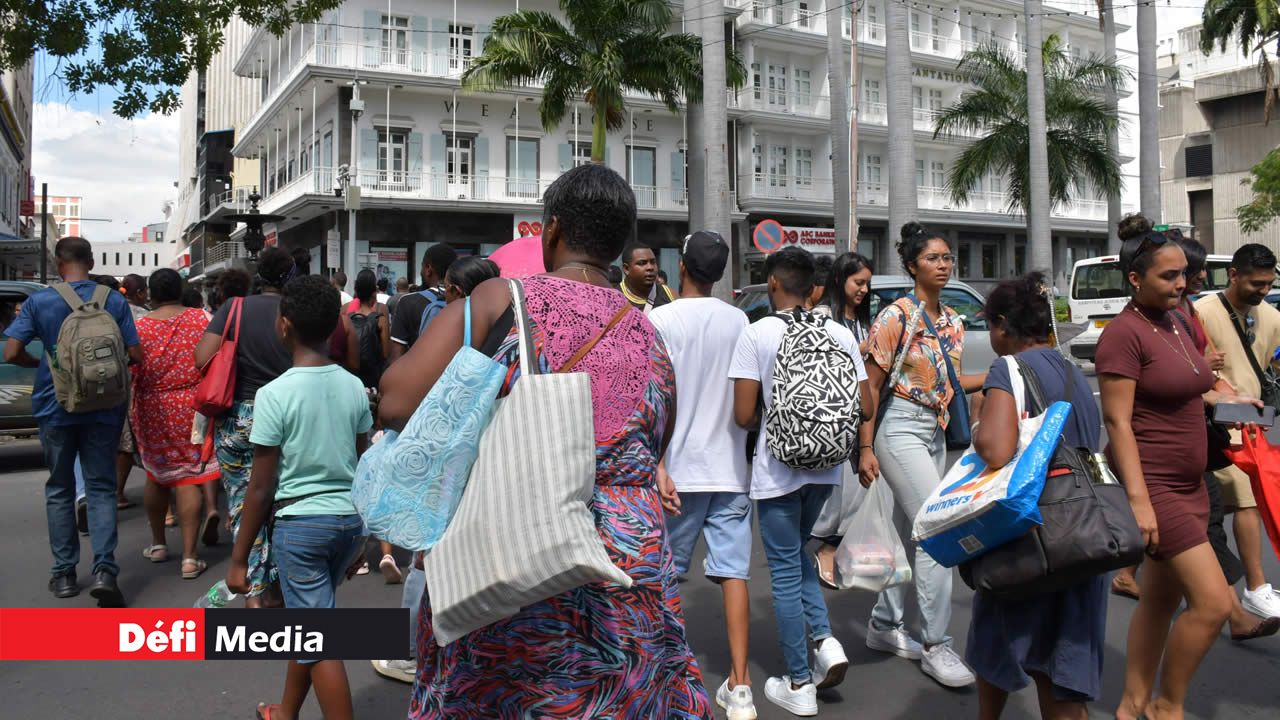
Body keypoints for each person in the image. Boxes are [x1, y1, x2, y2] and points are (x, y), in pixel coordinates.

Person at [379, 164, 714, 717]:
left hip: (516, 553)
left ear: (550, 232)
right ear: (619, 246)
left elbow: (395, 401)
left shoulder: (498, 300)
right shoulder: (651, 332)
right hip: (629, 565)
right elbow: (657, 440)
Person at [1097, 227, 1236, 720]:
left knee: (1158, 601)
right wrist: (1139, 501)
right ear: (1135, 279)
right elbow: (1117, 422)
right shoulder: (1123, 334)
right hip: (1156, 488)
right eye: (1169, 275)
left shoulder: (1176, 321)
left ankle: (1131, 703)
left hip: (1191, 483)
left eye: (1184, 273)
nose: (1183, 282)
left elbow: (1196, 384)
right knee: (1215, 605)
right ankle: (1167, 705)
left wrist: (1233, 400)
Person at [225, 274, 371, 720]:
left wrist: (238, 559)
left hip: (301, 527)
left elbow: (261, 487)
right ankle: (285, 712)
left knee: (316, 635)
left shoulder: (273, 395)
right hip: (348, 522)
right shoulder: (353, 386)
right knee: (308, 621)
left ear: (284, 325)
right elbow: (366, 467)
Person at [965, 272, 1108, 720]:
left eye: (991, 325)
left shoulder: (1008, 368)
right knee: (1062, 667)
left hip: (1031, 532)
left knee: (996, 636)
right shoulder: (1071, 371)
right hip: (1083, 530)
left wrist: (977, 421)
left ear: (1004, 325)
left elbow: (996, 448)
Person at [729, 246, 860, 716]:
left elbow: (744, 414)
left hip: (779, 468)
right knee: (797, 555)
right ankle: (825, 641)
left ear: (773, 285)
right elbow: (860, 402)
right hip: (827, 466)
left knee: (784, 570)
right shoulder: (840, 333)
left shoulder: (757, 332)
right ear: (815, 290)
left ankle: (801, 683)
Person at [860, 222, 985, 688]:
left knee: (906, 530)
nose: (944, 265)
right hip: (896, 430)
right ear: (912, 266)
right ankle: (937, 644)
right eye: (934, 258)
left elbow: (951, 384)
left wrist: (1008, 371)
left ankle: (883, 624)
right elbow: (870, 387)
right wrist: (866, 446)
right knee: (936, 529)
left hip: (932, 431)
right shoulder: (896, 315)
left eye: (948, 258)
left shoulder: (953, 320)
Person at [369, 254, 500, 685]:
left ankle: (409, 652)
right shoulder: (517, 322)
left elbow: (398, 394)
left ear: (457, 291)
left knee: (426, 555)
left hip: (448, 451)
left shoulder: (455, 318)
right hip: (498, 447)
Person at [650, 231, 756, 720]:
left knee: (664, 576)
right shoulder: (740, 321)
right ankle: (741, 685)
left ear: (682, 268)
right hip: (732, 467)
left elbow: (654, 399)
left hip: (678, 471)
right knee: (734, 573)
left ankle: (664, 676)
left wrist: (658, 463)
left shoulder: (661, 319)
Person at [3, 236, 142, 606]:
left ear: (58, 262)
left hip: (54, 406)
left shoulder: (39, 301)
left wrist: (45, 364)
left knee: (61, 489)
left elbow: (12, 351)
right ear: (92, 260)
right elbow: (134, 353)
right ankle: (105, 570)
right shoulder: (113, 300)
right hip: (104, 408)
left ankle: (64, 574)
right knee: (100, 487)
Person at [194, 246, 295, 608]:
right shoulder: (293, 311)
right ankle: (280, 584)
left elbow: (202, 357)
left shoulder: (234, 308)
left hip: (239, 416)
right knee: (279, 500)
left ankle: (255, 588)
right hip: (286, 412)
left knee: (243, 501)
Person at [1195, 242, 1280, 620]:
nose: (1263, 291)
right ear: (1233, 275)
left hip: (1251, 425)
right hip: (1213, 422)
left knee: (1217, 507)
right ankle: (1256, 588)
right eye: (1256, 284)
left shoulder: (1272, 317)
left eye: (1268, 284)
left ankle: (1130, 574)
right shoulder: (1202, 312)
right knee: (1247, 498)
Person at [130, 269, 220, 579]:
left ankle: (158, 545)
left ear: (151, 294)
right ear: (181, 290)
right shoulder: (202, 319)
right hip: (194, 406)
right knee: (189, 477)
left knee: (157, 475)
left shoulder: (139, 327)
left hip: (151, 406)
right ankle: (191, 558)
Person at [810, 252, 876, 586]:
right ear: (840, 280)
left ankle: (836, 550)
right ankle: (826, 549)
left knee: (857, 492)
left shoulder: (865, 320)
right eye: (858, 282)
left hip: (861, 417)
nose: (863, 290)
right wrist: (857, 351)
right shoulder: (824, 318)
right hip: (831, 418)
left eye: (867, 283)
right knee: (836, 494)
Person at [344, 269, 397, 583]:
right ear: (375, 292)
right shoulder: (381, 315)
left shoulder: (345, 317)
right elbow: (388, 353)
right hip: (377, 396)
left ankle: (359, 556)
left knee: (355, 472)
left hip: (352, 395)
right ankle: (387, 550)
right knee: (380, 473)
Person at [388, 243, 457, 360]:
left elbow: (397, 356)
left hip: (420, 375)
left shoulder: (407, 302)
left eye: (422, 266)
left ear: (428, 269)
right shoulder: (464, 300)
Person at [620, 243, 675, 313]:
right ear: (626, 269)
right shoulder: (613, 299)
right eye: (642, 263)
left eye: (653, 262)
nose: (650, 267)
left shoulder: (671, 295)